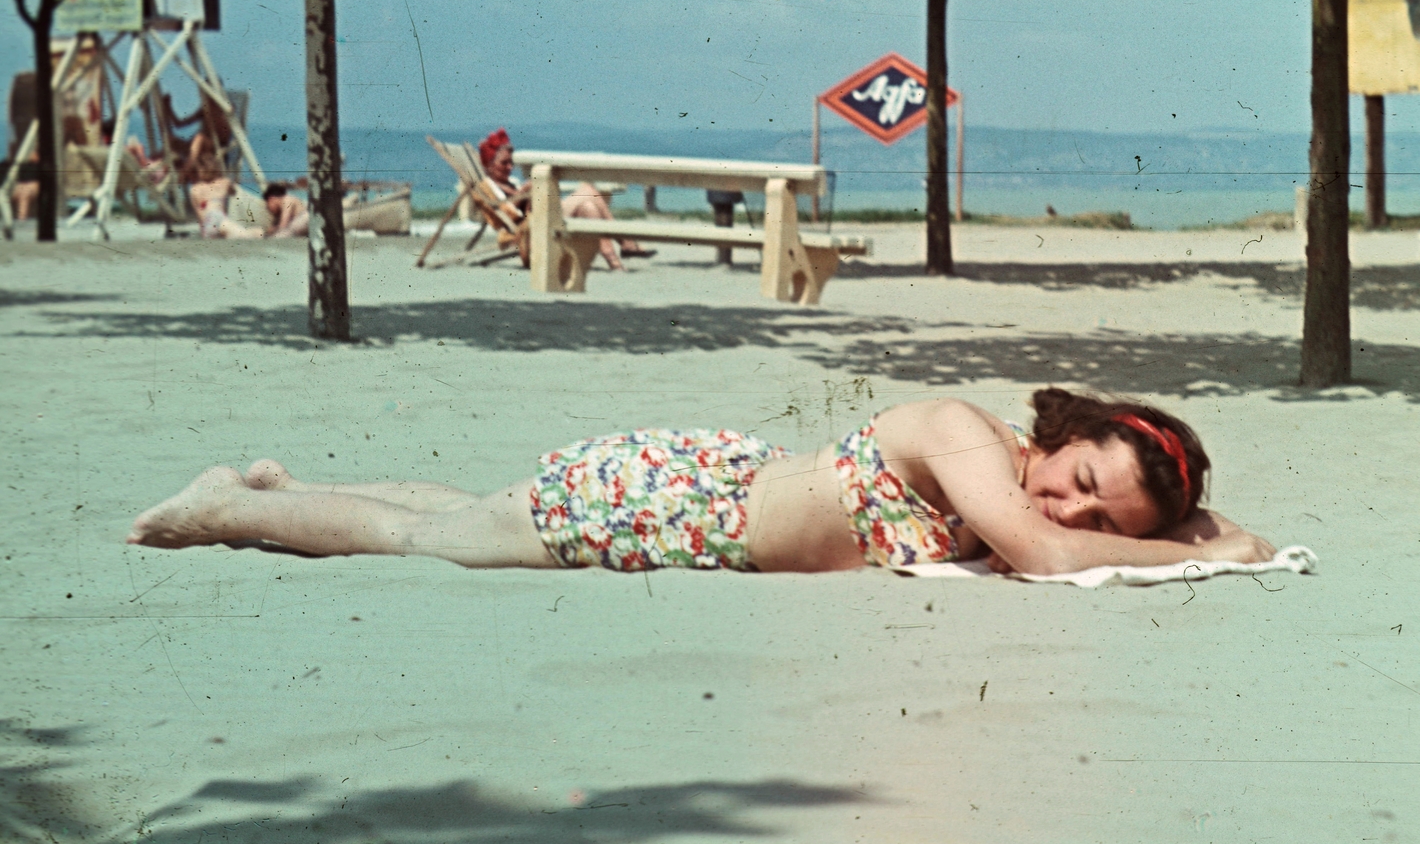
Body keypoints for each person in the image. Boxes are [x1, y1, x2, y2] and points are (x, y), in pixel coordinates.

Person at [127, 388, 1276, 574]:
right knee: (438, 545)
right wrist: (1191, 550)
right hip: (686, 507)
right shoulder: (966, 436)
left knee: (469, 512)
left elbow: (1080, 540)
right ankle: (226, 509)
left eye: (1096, 508)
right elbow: (1047, 560)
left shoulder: (1011, 475)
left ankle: (278, 483)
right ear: (1061, 431)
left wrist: (1187, 519)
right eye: (1079, 477)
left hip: (701, 496)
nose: (1067, 508)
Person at [477, 127, 653, 270]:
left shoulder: (509, 183)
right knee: (587, 188)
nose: (509, 167)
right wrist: (525, 191)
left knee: (588, 207)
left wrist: (526, 191)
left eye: (511, 162)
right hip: (532, 234)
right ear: (489, 164)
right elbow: (505, 215)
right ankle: (627, 243)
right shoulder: (488, 188)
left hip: (544, 224)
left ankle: (614, 262)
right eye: (504, 163)